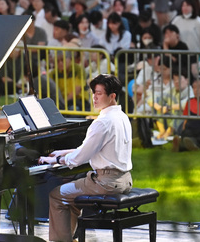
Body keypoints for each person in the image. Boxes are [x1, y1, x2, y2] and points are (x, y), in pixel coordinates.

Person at [41, 74, 132, 242]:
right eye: (93, 93)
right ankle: (71, 237)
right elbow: (88, 149)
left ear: (112, 96)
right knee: (72, 197)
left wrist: (54, 160)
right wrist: (62, 153)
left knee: (56, 194)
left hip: (106, 184)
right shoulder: (122, 117)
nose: (94, 98)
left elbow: (78, 159)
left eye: (99, 93)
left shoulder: (102, 122)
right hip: (124, 180)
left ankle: (61, 241)